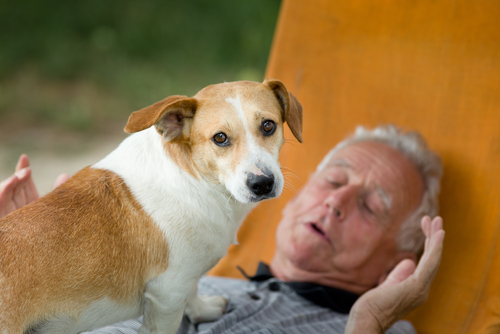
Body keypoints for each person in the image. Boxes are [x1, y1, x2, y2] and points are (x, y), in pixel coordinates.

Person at [0, 125, 445, 334]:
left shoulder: (375, 326)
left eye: (370, 207)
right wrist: (45, 256)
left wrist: (371, 322)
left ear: (397, 261)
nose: (336, 202)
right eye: (332, 181)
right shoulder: (194, 270)